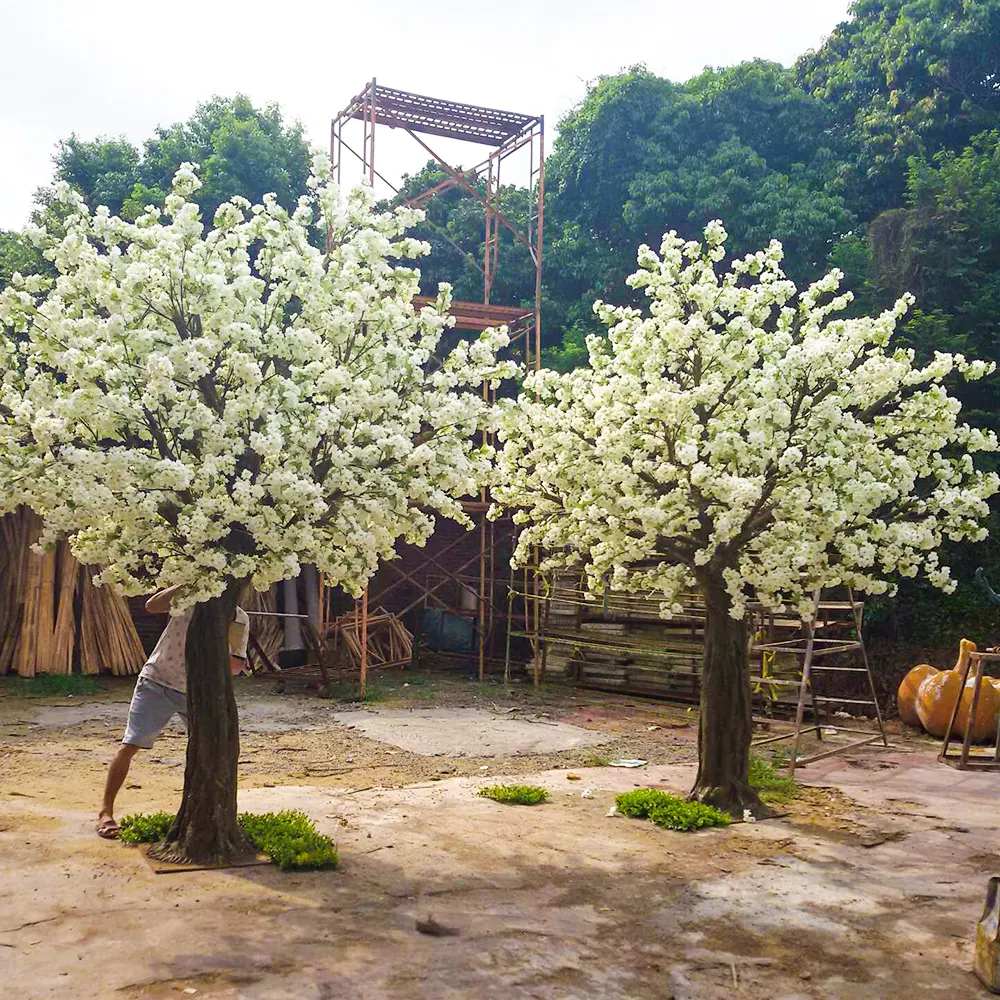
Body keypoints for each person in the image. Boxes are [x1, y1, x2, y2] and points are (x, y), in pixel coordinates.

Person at [96, 585, 250, 839]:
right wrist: (187, 583)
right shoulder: (190, 599)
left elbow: (235, 665)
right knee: (130, 744)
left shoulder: (237, 618)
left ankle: (210, 816)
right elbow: (152, 606)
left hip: (198, 691)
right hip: (157, 680)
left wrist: (220, 649)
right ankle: (105, 811)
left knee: (211, 750)